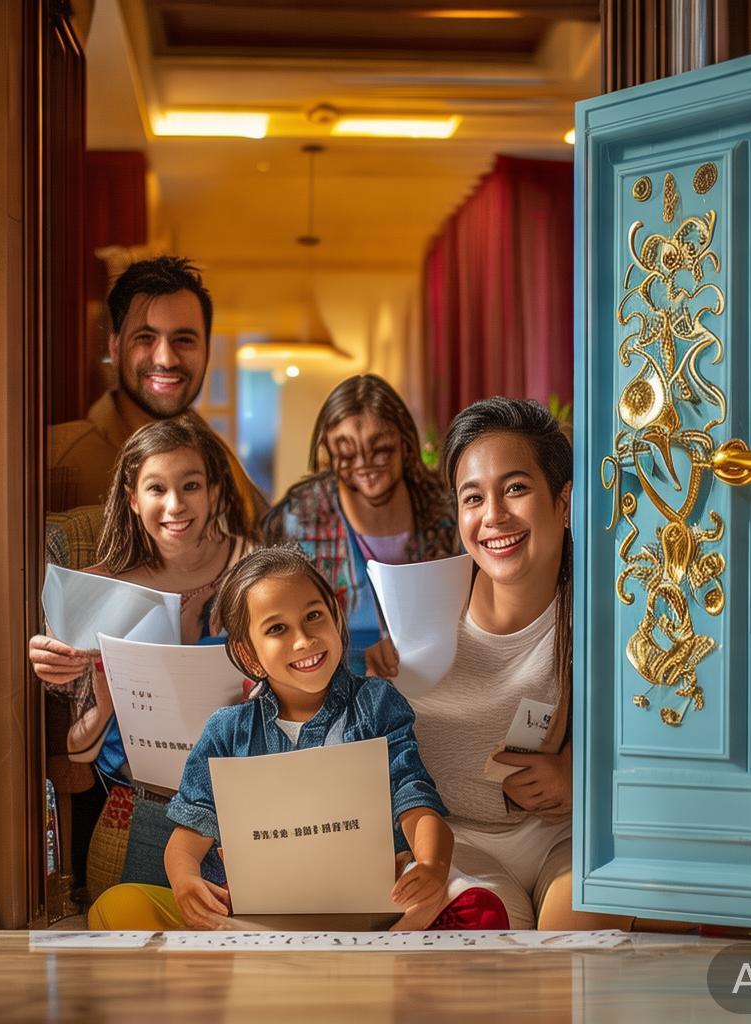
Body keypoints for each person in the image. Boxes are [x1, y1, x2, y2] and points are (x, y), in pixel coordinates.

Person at [87, 546, 508, 932]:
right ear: (249, 654)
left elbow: (414, 799)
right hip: (258, 916)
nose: (304, 640)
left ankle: (366, 964)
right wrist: (185, 883)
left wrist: (432, 866)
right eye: (277, 629)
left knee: (481, 908)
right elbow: (187, 837)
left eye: (313, 616)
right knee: (119, 905)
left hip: (375, 909)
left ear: (336, 615)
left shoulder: (375, 705)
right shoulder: (227, 731)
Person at [405, 398, 630, 931]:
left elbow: (674, 739)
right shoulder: (418, 608)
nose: (493, 517)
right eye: (473, 498)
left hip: (568, 836)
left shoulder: (610, 610)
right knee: (484, 930)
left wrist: (584, 776)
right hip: (453, 842)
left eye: (515, 489)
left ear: (564, 500)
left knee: (575, 939)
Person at [31, 415, 259, 895]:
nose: (175, 505)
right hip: (138, 813)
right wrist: (64, 677)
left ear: (215, 491)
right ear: (132, 499)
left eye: (191, 485)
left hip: (247, 818)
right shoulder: (93, 594)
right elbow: (77, 750)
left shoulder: (260, 571)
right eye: (157, 488)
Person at [264, 374, 459, 676]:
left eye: (380, 450)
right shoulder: (298, 519)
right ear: (329, 452)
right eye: (347, 454)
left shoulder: (446, 509)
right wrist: (357, 660)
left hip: (438, 678)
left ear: (405, 445)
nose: (364, 464)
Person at [47, 255, 264, 523]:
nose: (166, 359)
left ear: (207, 352)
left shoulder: (220, 460)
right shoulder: (56, 460)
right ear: (115, 349)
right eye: (145, 338)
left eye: (184, 340)